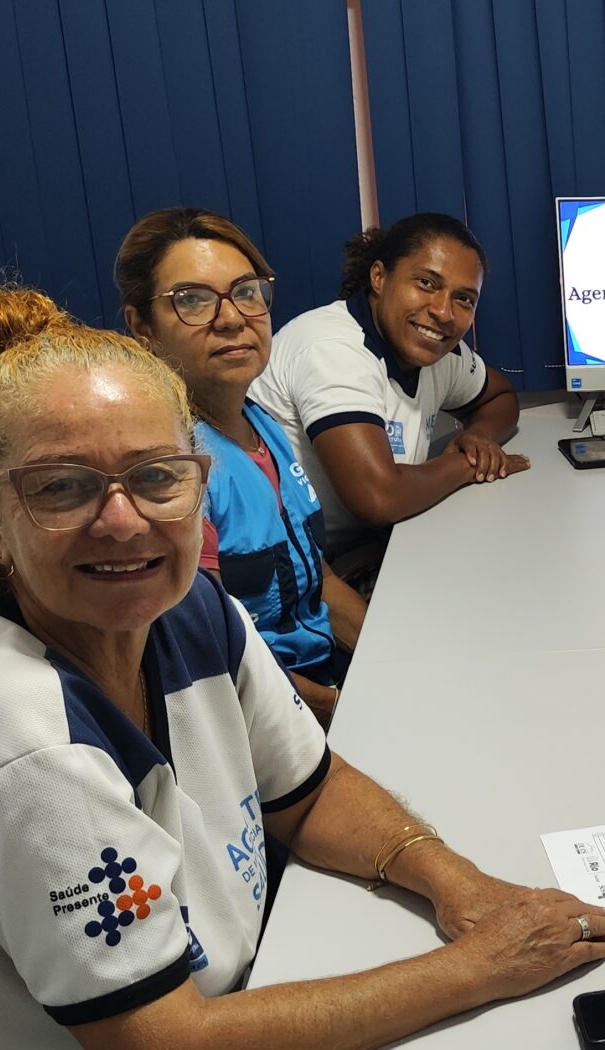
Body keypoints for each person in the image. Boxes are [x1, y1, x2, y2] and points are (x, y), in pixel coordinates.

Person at [0, 287, 605, 1050]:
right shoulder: (17, 741)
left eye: (157, 476)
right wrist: (476, 968)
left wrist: (460, 886)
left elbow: (310, 792)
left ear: (199, 478)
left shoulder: (187, 606)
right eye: (63, 488)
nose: (123, 522)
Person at [118, 207, 363, 724]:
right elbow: (209, 654)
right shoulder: (171, 471)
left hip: (321, 678)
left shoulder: (260, 423)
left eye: (247, 292)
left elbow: (318, 579)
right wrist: (343, 711)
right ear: (143, 328)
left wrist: (388, 658)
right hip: (260, 715)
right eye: (192, 300)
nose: (232, 318)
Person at [252, 212, 527, 585]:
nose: (443, 312)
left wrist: (479, 436)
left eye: (463, 298)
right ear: (379, 277)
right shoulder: (333, 347)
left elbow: (501, 398)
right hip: (298, 576)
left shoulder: (438, 349)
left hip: (372, 548)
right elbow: (378, 497)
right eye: (427, 283)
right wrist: (467, 464)